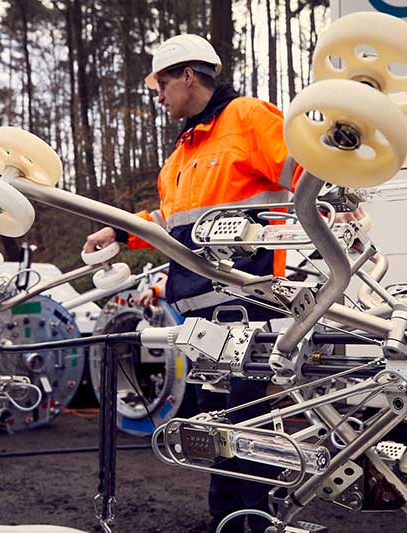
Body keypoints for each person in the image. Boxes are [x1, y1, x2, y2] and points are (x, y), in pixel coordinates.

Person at [83, 34, 302, 532]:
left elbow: (306, 170)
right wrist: (119, 230)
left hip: (249, 303)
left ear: (186, 74)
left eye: (161, 84)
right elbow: (170, 220)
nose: (158, 97)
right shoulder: (182, 154)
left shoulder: (248, 118)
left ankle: (258, 522)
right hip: (200, 315)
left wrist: (339, 196)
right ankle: (226, 520)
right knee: (211, 423)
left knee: (245, 420)